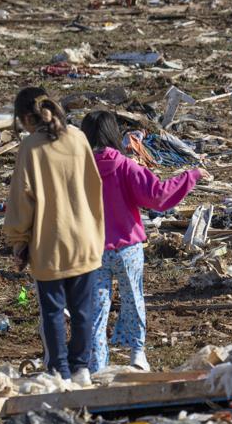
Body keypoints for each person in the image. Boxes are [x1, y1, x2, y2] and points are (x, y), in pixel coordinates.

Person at [80, 111, 209, 373]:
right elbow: (157, 196)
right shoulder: (127, 166)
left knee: (96, 309)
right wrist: (190, 176)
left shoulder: (80, 171)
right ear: (113, 134)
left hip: (94, 251)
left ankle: (96, 365)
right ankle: (137, 353)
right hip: (127, 248)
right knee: (133, 300)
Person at [2, 87, 104, 387]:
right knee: (84, 309)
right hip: (84, 237)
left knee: (53, 312)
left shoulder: (31, 149)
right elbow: (93, 186)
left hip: (49, 242)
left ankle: (59, 369)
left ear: (24, 118)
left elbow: (22, 199)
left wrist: (18, 241)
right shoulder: (78, 138)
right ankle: (82, 368)